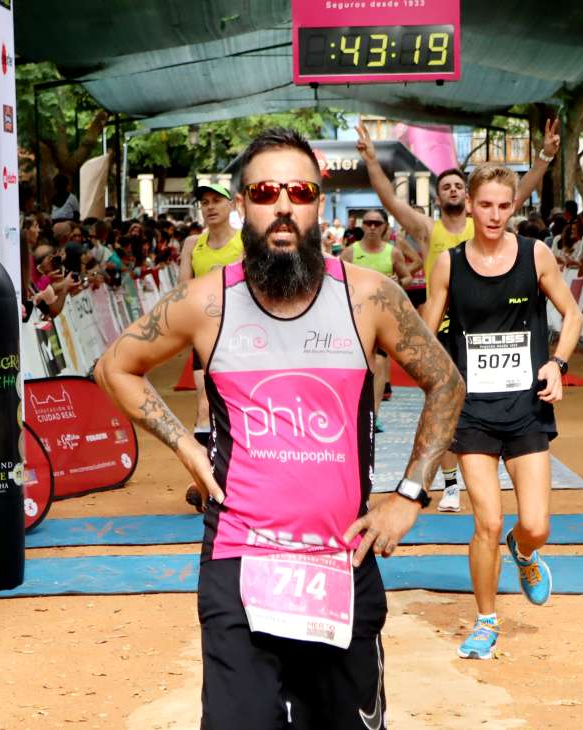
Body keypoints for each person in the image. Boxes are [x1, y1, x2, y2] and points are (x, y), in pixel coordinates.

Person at [94, 128, 463, 729]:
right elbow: (116, 367)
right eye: (266, 191)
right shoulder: (204, 302)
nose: (284, 204)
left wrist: (409, 496)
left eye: (301, 190)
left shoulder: (369, 297)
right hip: (240, 564)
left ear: (318, 203)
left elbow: (446, 383)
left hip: (342, 559)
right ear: (242, 205)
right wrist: (188, 447)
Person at [420, 163, 582, 661]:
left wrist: (557, 363)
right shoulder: (448, 263)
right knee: (486, 522)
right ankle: (486, 620)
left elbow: (571, 313)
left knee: (535, 524)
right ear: (469, 205)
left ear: (515, 207)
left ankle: (526, 552)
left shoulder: (535, 255)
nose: (493, 215)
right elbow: (426, 335)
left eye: (503, 205)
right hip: (473, 411)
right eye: (484, 204)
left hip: (527, 403)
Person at [356, 119, 560, 513]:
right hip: (444, 333)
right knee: (446, 410)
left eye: (456, 184)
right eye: (445, 185)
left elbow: (520, 190)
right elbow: (389, 201)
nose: (451, 189)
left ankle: (464, 478)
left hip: (482, 330)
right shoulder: (428, 229)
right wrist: (370, 161)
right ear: (444, 196)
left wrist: (545, 156)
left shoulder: (487, 218)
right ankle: (450, 484)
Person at [177, 182, 245, 510]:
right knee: (204, 405)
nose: (210, 207)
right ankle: (202, 479)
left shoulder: (244, 243)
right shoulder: (193, 243)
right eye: (204, 202)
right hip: (204, 335)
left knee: (236, 406)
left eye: (216, 200)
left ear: (231, 205)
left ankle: (239, 475)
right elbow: (182, 290)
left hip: (240, 336)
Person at [341, 210, 415, 432]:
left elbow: (407, 276)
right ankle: (354, 409)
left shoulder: (392, 253)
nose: (372, 227)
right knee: (358, 364)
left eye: (377, 223)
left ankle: (373, 414)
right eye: (368, 223)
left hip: (383, 316)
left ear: (384, 227)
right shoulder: (349, 253)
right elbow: (335, 279)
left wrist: (399, 282)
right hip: (356, 316)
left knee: (381, 363)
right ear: (362, 226)